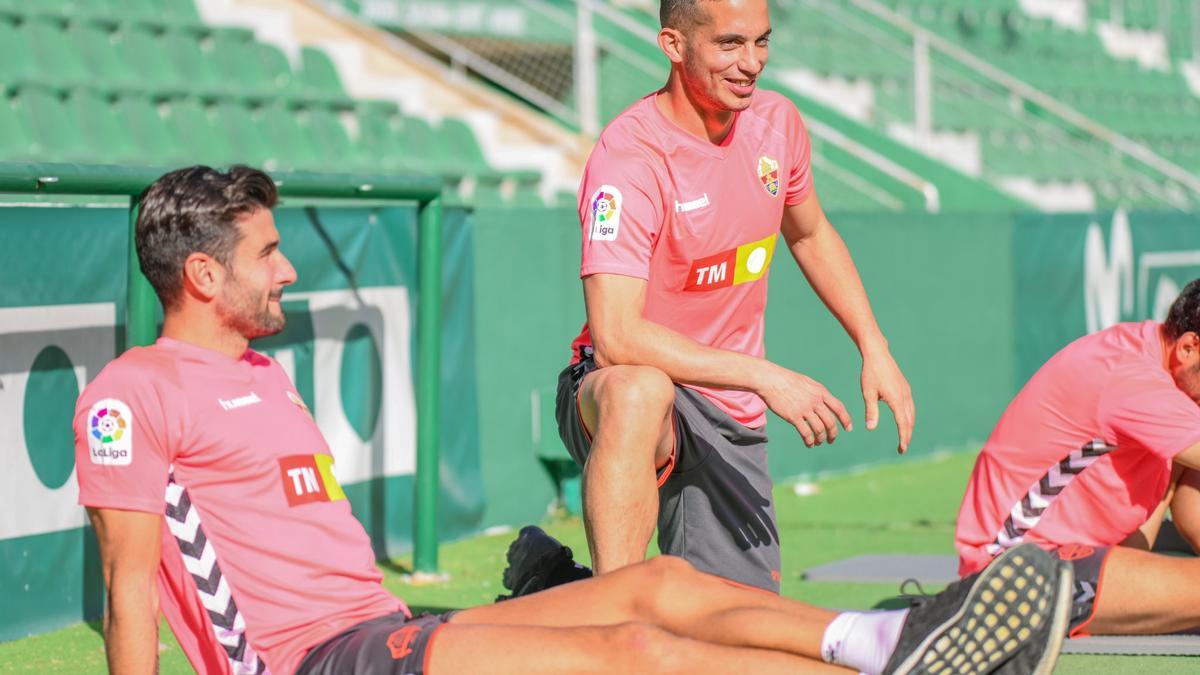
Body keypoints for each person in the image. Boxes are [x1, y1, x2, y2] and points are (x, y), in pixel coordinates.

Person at [77, 165, 1069, 675]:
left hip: (385, 636)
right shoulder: (132, 393)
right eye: (266, 254)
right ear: (204, 275)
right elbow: (130, 593)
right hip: (319, 665)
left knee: (658, 585)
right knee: (636, 655)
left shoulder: (261, 374)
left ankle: (886, 640)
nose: (288, 268)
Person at [556, 0, 915, 593]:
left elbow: (812, 233)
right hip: (620, 388)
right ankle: (607, 615)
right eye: (729, 44)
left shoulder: (777, 124)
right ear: (674, 45)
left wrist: (873, 345)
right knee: (640, 388)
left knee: (735, 635)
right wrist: (764, 376)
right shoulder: (629, 157)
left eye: (762, 42)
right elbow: (617, 337)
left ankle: (550, 585)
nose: (751, 64)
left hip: (729, 414)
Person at [956, 279, 1200, 638]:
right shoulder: (1135, 379)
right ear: (1189, 347)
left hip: (1079, 551)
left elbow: (1189, 505)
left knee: (1184, 457)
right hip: (1015, 574)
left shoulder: (1152, 357)